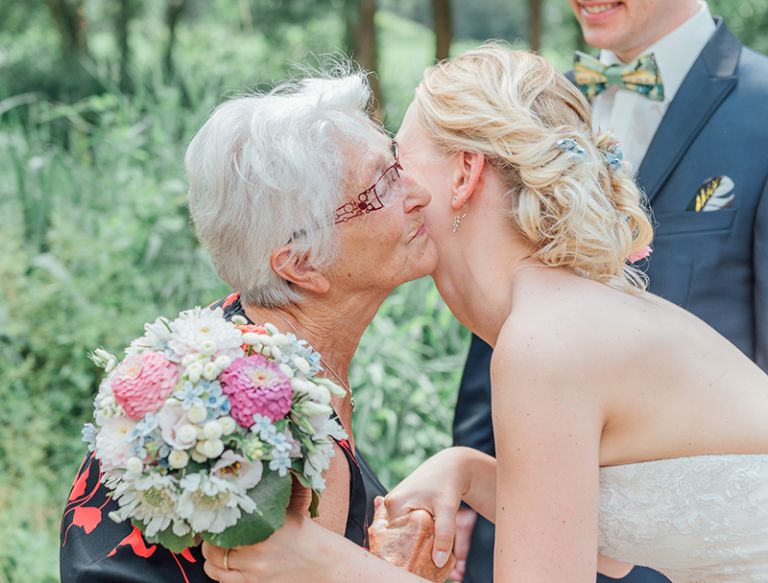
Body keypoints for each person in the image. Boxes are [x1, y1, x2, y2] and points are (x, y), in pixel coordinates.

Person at [201, 46, 768, 583]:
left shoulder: (548, 339)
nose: (397, 189)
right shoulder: (567, 311)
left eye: (396, 163)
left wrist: (327, 564)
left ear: (464, 174)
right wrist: (468, 470)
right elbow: (612, 550)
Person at [59, 71, 435, 582]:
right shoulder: (235, 414)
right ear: (301, 263)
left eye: (396, 162)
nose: (419, 193)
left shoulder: (265, 356)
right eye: (382, 184)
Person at [454, 1, 768, 580]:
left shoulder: (762, 106)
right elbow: (499, 297)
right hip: (528, 508)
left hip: (687, 542)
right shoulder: (532, 101)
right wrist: (475, 488)